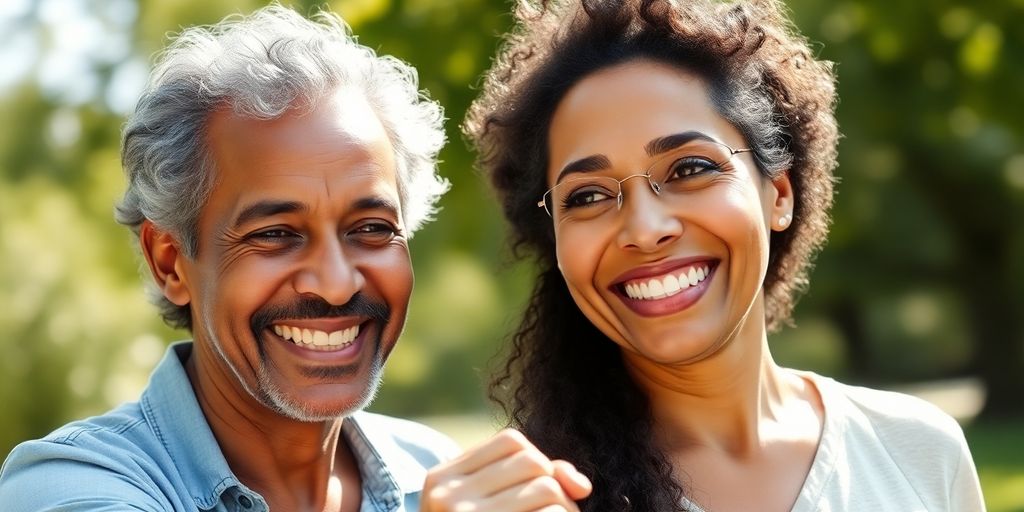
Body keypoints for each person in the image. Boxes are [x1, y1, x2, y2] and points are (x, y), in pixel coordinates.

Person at [422, 0, 986, 511]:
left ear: (779, 194)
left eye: (689, 169)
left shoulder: (918, 453)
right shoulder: (525, 500)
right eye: (588, 196)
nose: (644, 229)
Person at [0, 5, 458, 511]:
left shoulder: (436, 469)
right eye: (276, 234)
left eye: (371, 229)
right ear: (170, 263)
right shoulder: (66, 487)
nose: (336, 284)